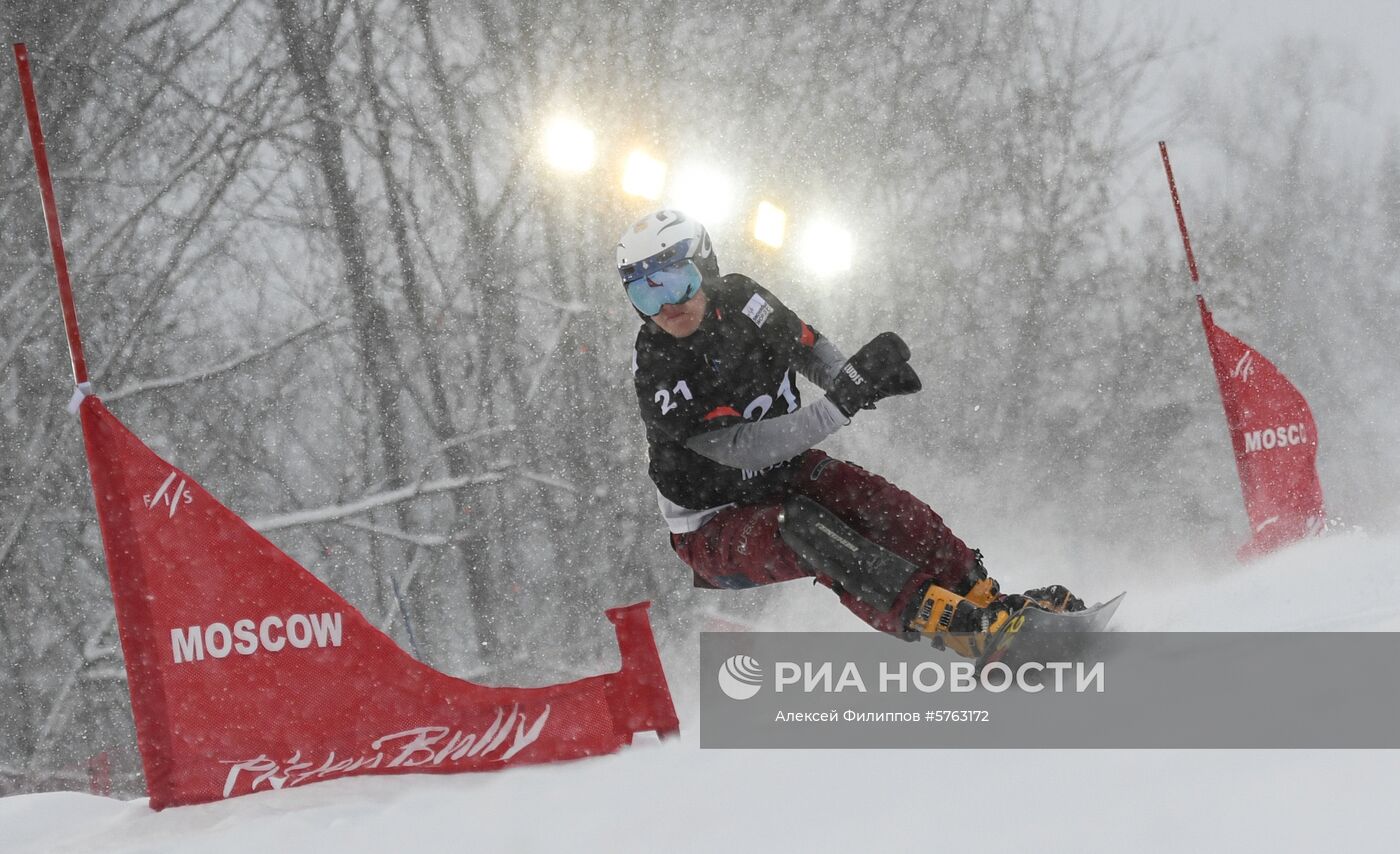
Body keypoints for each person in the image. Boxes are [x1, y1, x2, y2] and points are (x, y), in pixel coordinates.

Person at [618, 209, 1082, 657]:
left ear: (706, 266)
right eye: (645, 293)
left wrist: (851, 379)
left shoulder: (742, 299)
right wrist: (840, 403)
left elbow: (807, 346)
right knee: (804, 528)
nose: (666, 306)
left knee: (878, 504)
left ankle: (986, 601)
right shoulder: (659, 365)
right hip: (710, 527)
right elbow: (741, 450)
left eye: (676, 281)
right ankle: (962, 630)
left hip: (780, 475)